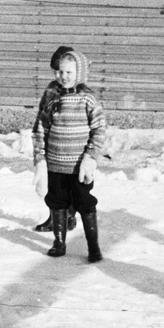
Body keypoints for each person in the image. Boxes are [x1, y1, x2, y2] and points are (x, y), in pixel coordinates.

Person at [32, 49, 106, 262]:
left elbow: (99, 129)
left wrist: (91, 156)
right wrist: (40, 158)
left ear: (79, 73)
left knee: (84, 202)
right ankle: (59, 242)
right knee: (56, 201)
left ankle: (93, 247)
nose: (63, 76)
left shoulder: (87, 99)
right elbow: (41, 128)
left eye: (69, 72)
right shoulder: (53, 97)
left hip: (79, 166)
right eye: (60, 72)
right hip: (55, 164)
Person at [31, 45, 78, 234]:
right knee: (51, 184)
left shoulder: (78, 90)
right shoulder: (51, 89)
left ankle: (70, 216)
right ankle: (54, 217)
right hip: (51, 143)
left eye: (63, 71)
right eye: (56, 71)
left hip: (71, 146)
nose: (59, 76)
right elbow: (42, 114)